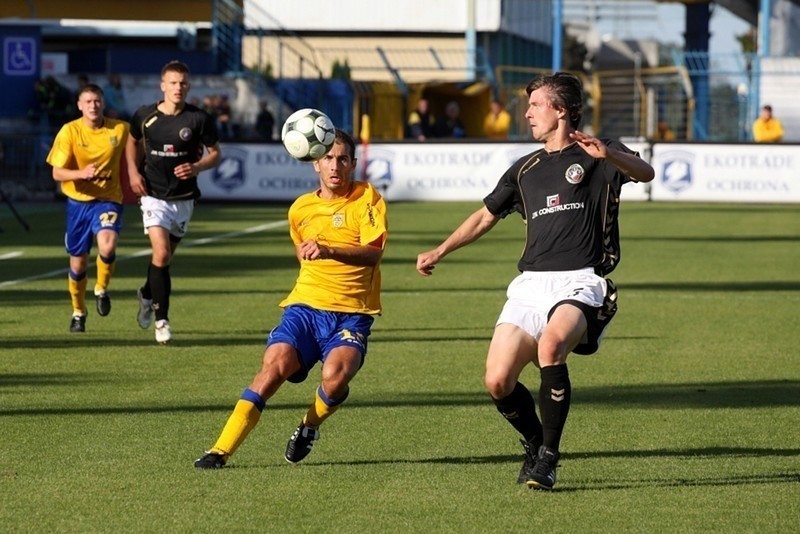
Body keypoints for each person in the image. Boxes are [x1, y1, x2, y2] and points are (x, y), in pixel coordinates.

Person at [415, 72, 654, 491]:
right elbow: (485, 216)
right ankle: (533, 441)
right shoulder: (524, 169)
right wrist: (439, 250)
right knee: (497, 380)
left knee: (551, 347)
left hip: (581, 280)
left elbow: (646, 171)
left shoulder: (600, 152)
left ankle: (548, 458)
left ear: (561, 110)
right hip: (530, 285)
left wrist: (610, 156)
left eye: (536, 105)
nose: (527, 113)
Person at [194, 128, 388, 469]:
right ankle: (219, 451)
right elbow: (303, 255)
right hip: (305, 309)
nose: (335, 166)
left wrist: (328, 248)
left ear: (353, 163)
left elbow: (373, 254)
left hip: (351, 314)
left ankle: (309, 425)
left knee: (335, 377)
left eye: (343, 159)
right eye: (328, 158)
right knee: (273, 368)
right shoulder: (300, 209)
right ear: (315, 162)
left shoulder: (368, 199)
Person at [125, 60, 221, 344]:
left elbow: (216, 153)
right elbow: (131, 142)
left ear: (188, 87)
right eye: (173, 82)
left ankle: (146, 294)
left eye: (183, 83)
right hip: (153, 195)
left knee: (162, 260)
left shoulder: (199, 119)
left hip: (184, 197)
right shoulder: (145, 116)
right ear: (163, 85)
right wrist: (132, 172)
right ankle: (162, 321)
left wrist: (197, 167)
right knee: (162, 254)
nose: (178, 88)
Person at [45, 83, 130, 333]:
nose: (93, 105)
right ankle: (79, 312)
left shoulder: (120, 129)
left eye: (97, 101)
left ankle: (101, 288)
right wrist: (81, 173)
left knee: (108, 243)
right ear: (79, 105)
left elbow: (141, 139)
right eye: (88, 101)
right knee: (78, 264)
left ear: (103, 104)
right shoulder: (70, 131)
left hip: (108, 199)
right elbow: (56, 172)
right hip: (77, 203)